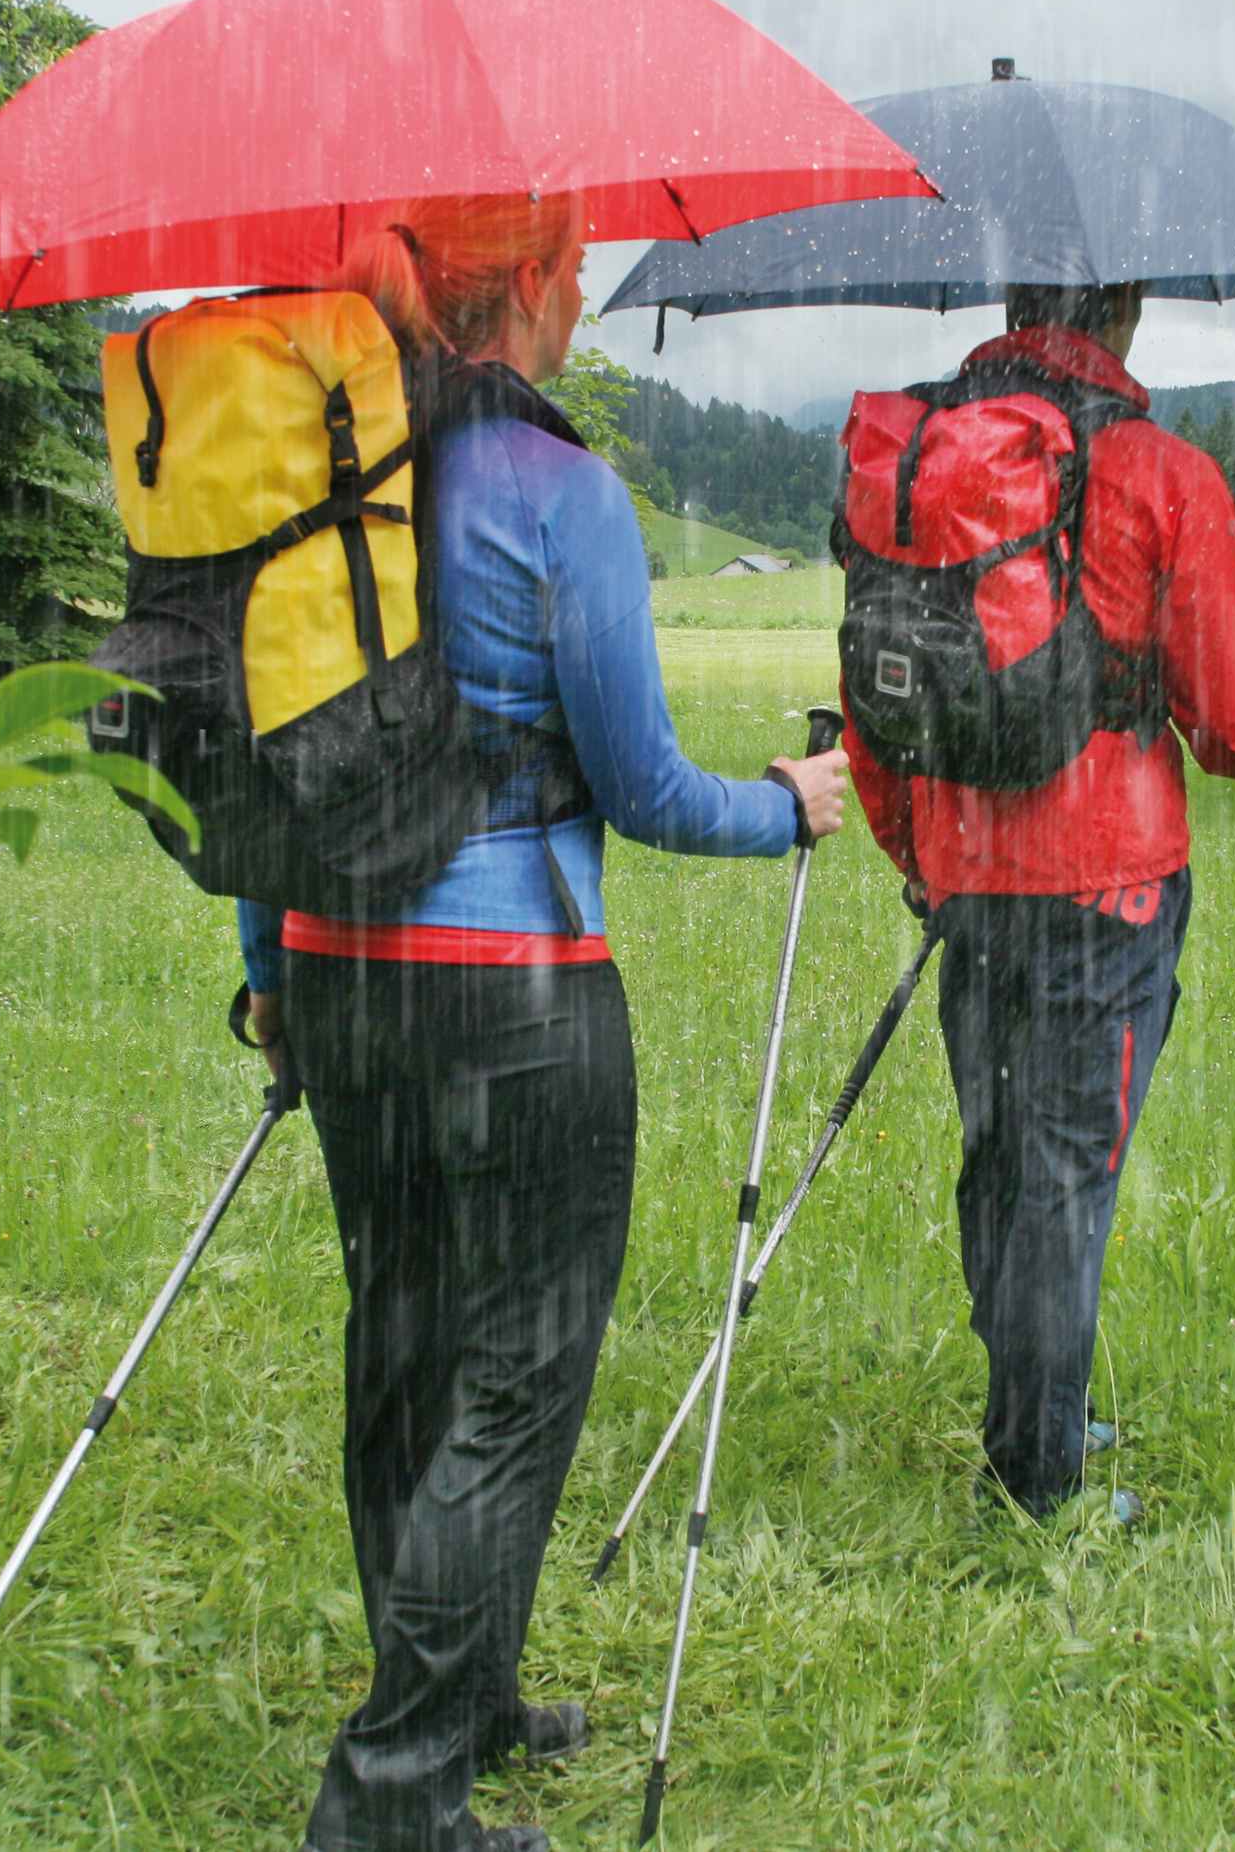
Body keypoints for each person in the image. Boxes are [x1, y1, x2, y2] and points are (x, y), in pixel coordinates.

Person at [237, 192, 849, 1852]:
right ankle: (394, 1798)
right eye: (577, 267)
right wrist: (787, 804)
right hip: (518, 997)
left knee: (405, 1353)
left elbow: (273, 772)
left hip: (339, 977)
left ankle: (470, 1698)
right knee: (511, 1386)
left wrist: (274, 972)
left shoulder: (315, 483)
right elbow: (644, 788)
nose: (589, 294)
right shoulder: (563, 495)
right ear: (522, 289)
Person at [841, 280, 1235, 1526]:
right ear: (1126, 309)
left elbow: (884, 689)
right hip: (1110, 885)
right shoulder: (1163, 472)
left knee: (1003, 1160)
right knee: (1062, 1175)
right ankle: (1038, 1480)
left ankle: (1030, 1415)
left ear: (1011, 299)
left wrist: (919, 851)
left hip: (967, 878)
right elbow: (1230, 717)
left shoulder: (927, 467)